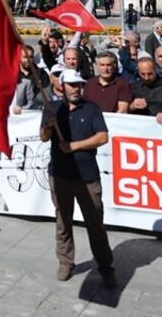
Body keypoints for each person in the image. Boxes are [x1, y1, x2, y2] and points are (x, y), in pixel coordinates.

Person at [40, 69, 115, 288]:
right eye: (72, 84)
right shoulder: (52, 108)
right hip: (60, 175)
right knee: (63, 221)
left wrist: (74, 146)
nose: (76, 88)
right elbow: (44, 137)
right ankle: (65, 262)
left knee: (95, 223)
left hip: (87, 176)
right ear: (62, 86)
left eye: (79, 84)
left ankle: (105, 266)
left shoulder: (91, 108)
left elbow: (102, 137)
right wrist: (49, 124)